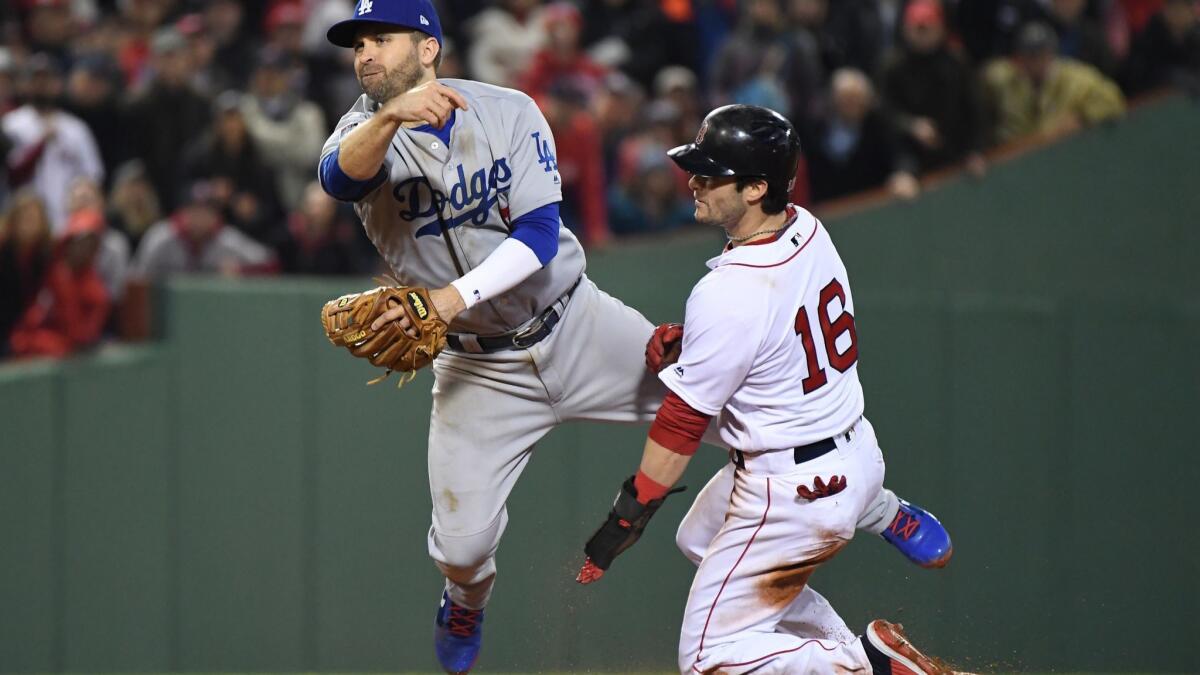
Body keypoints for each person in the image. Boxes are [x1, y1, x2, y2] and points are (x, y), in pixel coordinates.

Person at [318, 3, 951, 673]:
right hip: (479, 370)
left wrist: (449, 298)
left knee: (756, 419)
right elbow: (339, 177)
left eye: (381, 39)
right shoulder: (362, 130)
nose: (365, 54)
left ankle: (881, 507)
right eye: (357, 43)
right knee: (462, 545)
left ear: (426, 47)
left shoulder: (507, 110)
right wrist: (388, 117)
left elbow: (536, 237)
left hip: (576, 322)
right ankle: (464, 598)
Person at [576, 105, 953, 674]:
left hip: (792, 485)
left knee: (706, 660)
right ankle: (878, 520)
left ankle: (866, 665)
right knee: (700, 542)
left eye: (711, 173)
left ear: (757, 187)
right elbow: (774, 332)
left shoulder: (729, 292)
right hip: (853, 452)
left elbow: (681, 425)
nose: (694, 181)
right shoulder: (806, 226)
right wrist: (696, 344)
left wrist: (630, 511)